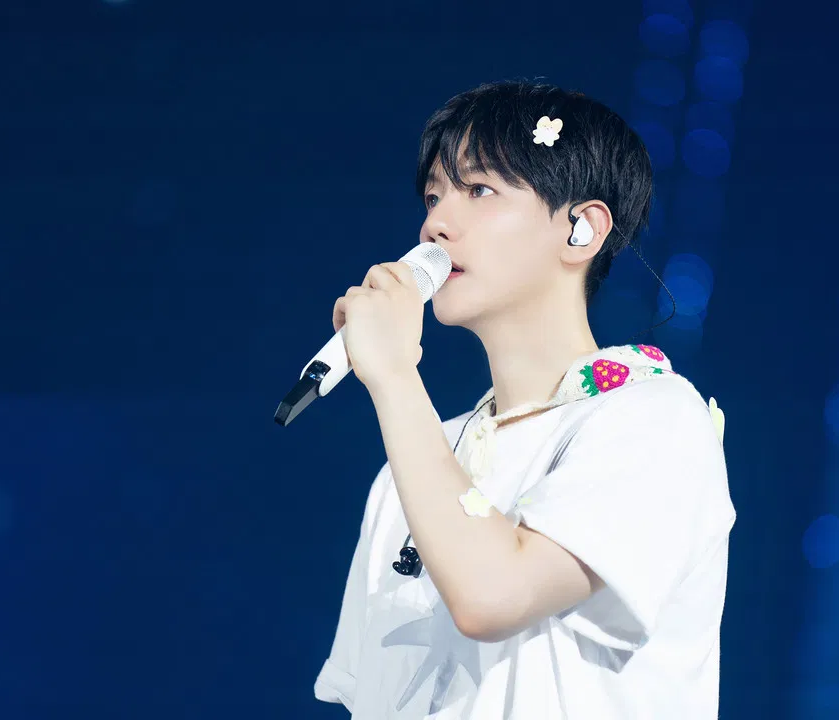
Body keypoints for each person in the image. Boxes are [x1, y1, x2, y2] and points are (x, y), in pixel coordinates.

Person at [313, 80, 734, 719]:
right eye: (434, 195)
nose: (435, 223)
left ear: (581, 230)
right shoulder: (416, 460)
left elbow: (493, 597)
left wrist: (395, 376)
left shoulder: (655, 419)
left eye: (480, 190)